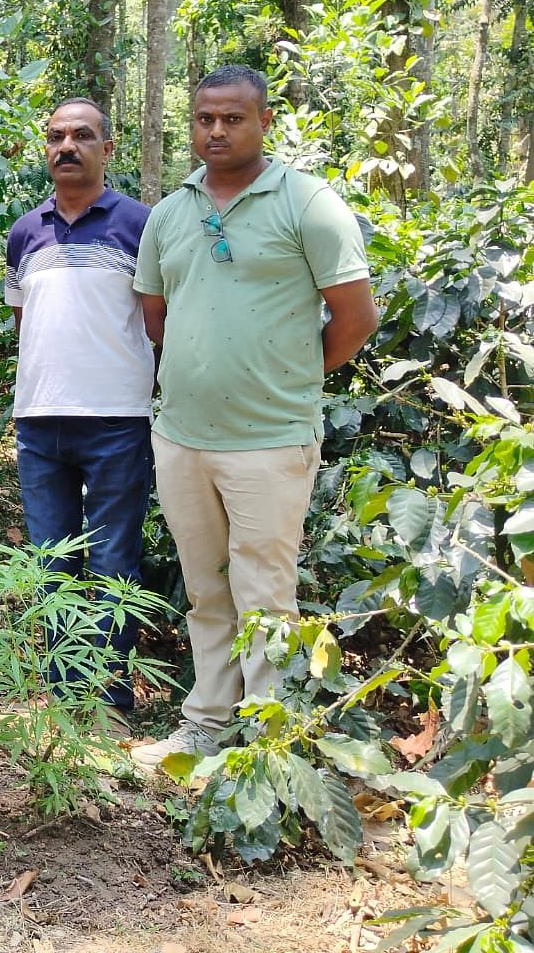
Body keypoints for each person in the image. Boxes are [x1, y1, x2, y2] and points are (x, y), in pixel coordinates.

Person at [130, 65, 378, 770]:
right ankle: (204, 725)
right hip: (180, 437)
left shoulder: (307, 203)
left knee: (265, 595)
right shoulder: (169, 212)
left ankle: (268, 746)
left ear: (264, 122)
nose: (216, 130)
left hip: (269, 441)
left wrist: (287, 379)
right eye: (205, 118)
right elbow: (156, 317)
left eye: (232, 118)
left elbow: (354, 318)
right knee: (205, 589)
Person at [5, 98, 154, 724]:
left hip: (119, 418)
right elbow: (24, 319)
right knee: (52, 562)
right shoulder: (25, 230)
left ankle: (112, 695)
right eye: (57, 136)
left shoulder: (142, 224)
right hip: (39, 420)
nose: (67, 146)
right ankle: (67, 696)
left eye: (82, 136)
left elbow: (159, 316)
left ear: (107, 149)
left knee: (115, 557)